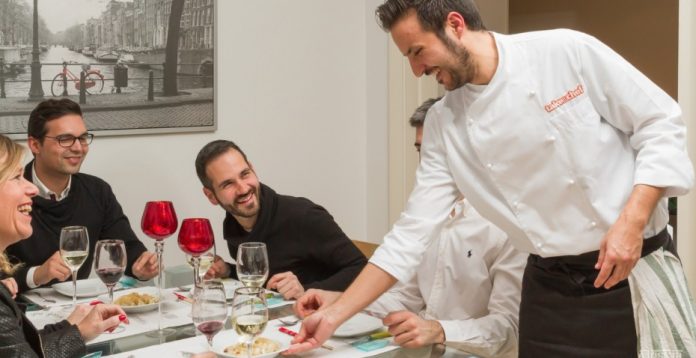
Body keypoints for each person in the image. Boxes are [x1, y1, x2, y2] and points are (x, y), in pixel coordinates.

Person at [287, 1, 696, 357]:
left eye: (417, 51)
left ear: (455, 25)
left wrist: (633, 221)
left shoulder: (564, 52)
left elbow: (660, 122)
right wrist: (334, 315)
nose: (416, 71)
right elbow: (410, 235)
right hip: (548, 291)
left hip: (628, 272)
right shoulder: (443, 123)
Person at [295, 98, 527, 357]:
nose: (427, 162)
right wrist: (341, 302)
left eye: (438, 151)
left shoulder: (507, 223)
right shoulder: (426, 215)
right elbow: (405, 297)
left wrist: (439, 330)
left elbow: (510, 329)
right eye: (422, 151)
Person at [6, 99, 158, 293]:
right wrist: (37, 275)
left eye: (83, 138)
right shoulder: (8, 193)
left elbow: (126, 247)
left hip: (78, 310)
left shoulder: (97, 191)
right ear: (35, 144)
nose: (78, 148)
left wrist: (142, 265)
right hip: (16, 314)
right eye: (65, 139)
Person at [0, 133, 129, 357]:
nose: (31, 188)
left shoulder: (96, 190)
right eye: (15, 177)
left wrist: (75, 330)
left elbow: (22, 349)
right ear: (36, 144)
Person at [195, 140, 367, 299]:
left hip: (332, 320)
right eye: (228, 184)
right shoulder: (233, 225)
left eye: (245, 174)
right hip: (284, 321)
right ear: (211, 196)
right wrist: (228, 270)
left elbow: (362, 268)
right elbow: (264, 277)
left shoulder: (304, 215)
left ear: (253, 169)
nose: (243, 188)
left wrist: (305, 291)